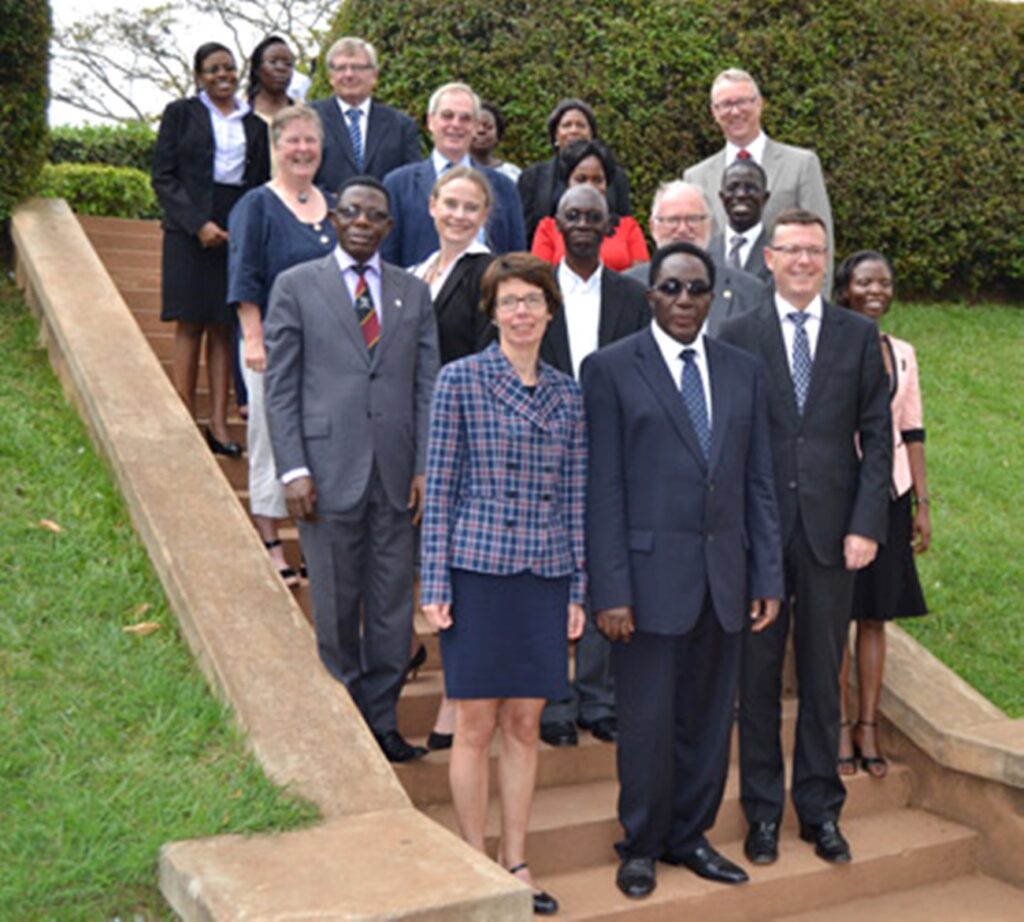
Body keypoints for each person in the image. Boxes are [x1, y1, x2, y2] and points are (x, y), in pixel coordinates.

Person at [583, 241, 783, 899]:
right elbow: (603, 485)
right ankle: (640, 843)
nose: (685, 301)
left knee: (705, 719)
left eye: (697, 289)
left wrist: (766, 576)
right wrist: (609, 588)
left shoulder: (741, 370)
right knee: (645, 721)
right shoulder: (610, 369)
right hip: (644, 584)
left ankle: (689, 836)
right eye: (671, 288)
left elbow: (758, 481)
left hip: (724, 579)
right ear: (650, 296)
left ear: (712, 295)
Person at [719, 209, 891, 867]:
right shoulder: (737, 334)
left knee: (823, 679)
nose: (802, 261)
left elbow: (877, 439)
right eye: (789, 250)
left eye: (813, 251)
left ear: (826, 259)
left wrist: (865, 525)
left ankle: (819, 811)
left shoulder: (856, 336)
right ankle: (762, 814)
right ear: (768, 258)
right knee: (756, 682)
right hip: (757, 538)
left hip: (832, 537)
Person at [420, 253, 586, 917]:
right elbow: (442, 487)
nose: (521, 313)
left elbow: (576, 494)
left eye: (533, 301)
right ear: (491, 313)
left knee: (525, 723)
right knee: (475, 724)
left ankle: (516, 860)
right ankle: (472, 860)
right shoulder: (459, 381)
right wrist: (433, 580)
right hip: (477, 571)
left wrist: (578, 587)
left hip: (544, 574)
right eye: (509, 302)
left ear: (550, 311)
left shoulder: (569, 393)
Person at [263, 176, 439, 763]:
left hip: (394, 477)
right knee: (336, 606)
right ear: (335, 219)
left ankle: (383, 721)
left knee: (390, 606)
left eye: (376, 216)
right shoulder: (295, 287)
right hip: (325, 472)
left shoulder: (412, 294)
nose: (364, 222)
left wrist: (422, 466)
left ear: (389, 227)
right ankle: (343, 728)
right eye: (353, 213)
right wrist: (292, 470)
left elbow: (425, 386)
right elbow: (280, 389)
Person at [536, 184, 649, 749]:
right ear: (555, 226)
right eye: (571, 216)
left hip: (614, 451)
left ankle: (599, 698)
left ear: (610, 229)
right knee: (554, 574)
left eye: (593, 217)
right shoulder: (533, 291)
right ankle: (555, 698)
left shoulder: (633, 297)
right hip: (545, 454)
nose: (582, 223)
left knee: (606, 566)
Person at [228, 104, 336, 587]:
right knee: (272, 442)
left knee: (321, 446)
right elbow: (245, 275)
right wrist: (254, 338)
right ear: (275, 149)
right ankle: (272, 541)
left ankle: (315, 542)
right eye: (291, 140)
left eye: (309, 140)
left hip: (329, 354)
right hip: (273, 348)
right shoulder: (257, 205)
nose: (302, 149)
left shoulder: (334, 205)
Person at [836, 250, 930, 779]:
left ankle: (867, 726)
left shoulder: (906, 354)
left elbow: (912, 431)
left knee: (875, 616)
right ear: (846, 288)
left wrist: (922, 503)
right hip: (840, 496)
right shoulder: (831, 346)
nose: (877, 291)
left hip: (889, 496)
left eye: (885, 282)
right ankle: (836, 724)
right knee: (836, 615)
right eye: (865, 282)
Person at [151, 42, 270, 458]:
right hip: (188, 226)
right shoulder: (180, 114)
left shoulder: (255, 125)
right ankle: (183, 418)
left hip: (234, 224)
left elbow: (258, 183)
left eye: (230, 68)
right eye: (213, 69)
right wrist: (197, 223)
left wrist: (241, 227)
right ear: (199, 76)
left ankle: (219, 424)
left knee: (223, 324)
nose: (224, 75)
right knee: (190, 321)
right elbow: (163, 176)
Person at [683, 67, 834, 291]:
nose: (735, 112)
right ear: (714, 112)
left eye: (742, 102)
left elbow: (822, 241)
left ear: (759, 103)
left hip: (783, 297)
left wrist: (817, 306)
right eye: (725, 105)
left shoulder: (801, 165)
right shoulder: (696, 176)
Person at [382, 82, 525, 268]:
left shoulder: (503, 186)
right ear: (430, 121)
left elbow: (516, 258)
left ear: (474, 126)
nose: (456, 125)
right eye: (447, 116)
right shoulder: (398, 184)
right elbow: (388, 258)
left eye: (465, 118)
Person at [625, 180, 768, 336]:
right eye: (673, 220)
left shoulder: (750, 291)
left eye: (693, 219)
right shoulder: (626, 289)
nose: (683, 229)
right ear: (653, 227)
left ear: (710, 225)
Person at [411, 166, 495, 365]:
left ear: (484, 215)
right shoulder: (418, 270)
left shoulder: (490, 273)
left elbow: (487, 353)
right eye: (450, 204)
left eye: (471, 208)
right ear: (433, 206)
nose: (459, 215)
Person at [312, 36, 421, 190]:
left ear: (374, 75)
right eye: (341, 68)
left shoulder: (401, 125)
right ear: (331, 77)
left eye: (357, 68)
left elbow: (410, 183)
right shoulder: (309, 119)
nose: (349, 75)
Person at [518, 98, 632, 244]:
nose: (574, 130)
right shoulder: (533, 177)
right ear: (555, 136)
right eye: (566, 125)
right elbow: (524, 231)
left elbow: (625, 225)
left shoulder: (616, 176)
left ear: (592, 134)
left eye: (581, 125)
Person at [530, 139, 648, 272]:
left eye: (597, 180)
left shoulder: (628, 228)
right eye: (581, 179)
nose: (589, 186)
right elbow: (540, 280)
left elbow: (641, 278)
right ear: (567, 183)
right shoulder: (548, 229)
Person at [709, 158, 772, 284]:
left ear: (765, 198)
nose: (741, 195)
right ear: (722, 197)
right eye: (733, 188)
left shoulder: (779, 253)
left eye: (751, 188)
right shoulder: (705, 251)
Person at [470, 100, 522, 182]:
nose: (481, 130)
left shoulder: (513, 174)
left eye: (488, 126)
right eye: (475, 125)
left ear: (498, 134)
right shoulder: (450, 172)